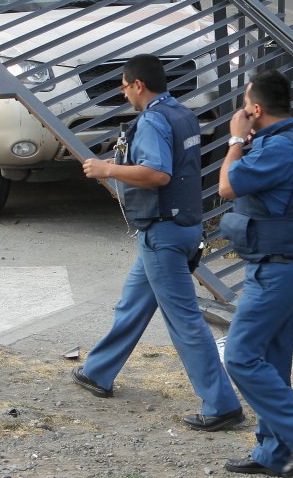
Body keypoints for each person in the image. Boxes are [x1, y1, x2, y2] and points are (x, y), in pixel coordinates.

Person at [73, 54, 244, 433]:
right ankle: (97, 372)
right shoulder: (181, 114)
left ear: (138, 85)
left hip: (162, 233)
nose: (122, 90)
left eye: (123, 83)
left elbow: (157, 174)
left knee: (185, 322)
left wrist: (108, 169)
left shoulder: (151, 119)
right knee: (133, 304)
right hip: (183, 228)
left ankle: (221, 405)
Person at [217, 69, 293, 477]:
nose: (241, 112)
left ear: (257, 109)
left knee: (242, 355)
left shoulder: (275, 150)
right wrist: (253, 143)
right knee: (273, 359)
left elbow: (227, 187)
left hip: (273, 271)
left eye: (245, 105)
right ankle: (273, 454)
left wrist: (235, 141)